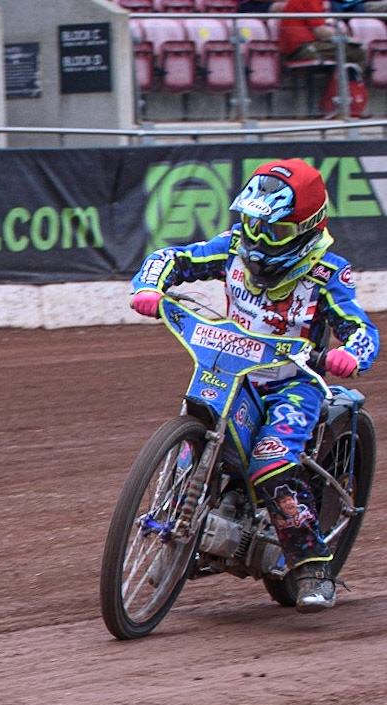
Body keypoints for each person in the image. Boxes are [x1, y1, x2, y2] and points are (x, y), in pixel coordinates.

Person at [128, 158, 377, 612]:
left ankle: (311, 566)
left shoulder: (328, 273)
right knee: (198, 429)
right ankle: (188, 526)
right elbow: (174, 258)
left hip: (293, 384)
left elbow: (361, 328)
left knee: (270, 462)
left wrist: (350, 355)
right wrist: (149, 287)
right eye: (254, 223)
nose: (259, 237)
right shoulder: (233, 247)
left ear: (306, 228)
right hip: (232, 369)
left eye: (274, 229)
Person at [279, 0, 369, 117]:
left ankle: (346, 101)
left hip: (309, 46)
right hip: (302, 49)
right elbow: (322, 33)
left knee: (351, 52)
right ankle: (347, 102)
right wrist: (346, 38)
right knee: (357, 51)